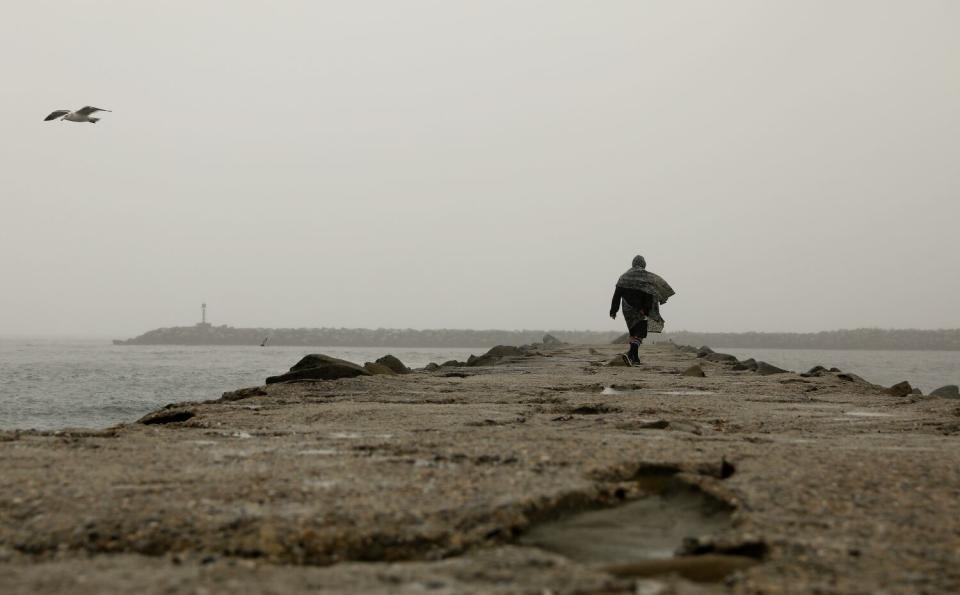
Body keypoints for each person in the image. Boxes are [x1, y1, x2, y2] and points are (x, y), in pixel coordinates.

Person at [610, 255, 675, 365]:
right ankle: (631, 354)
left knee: (632, 332)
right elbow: (649, 294)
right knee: (640, 334)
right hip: (641, 310)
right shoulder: (647, 277)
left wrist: (613, 310)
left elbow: (617, 295)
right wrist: (646, 309)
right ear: (643, 264)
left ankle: (635, 358)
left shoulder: (624, 277)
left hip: (627, 310)